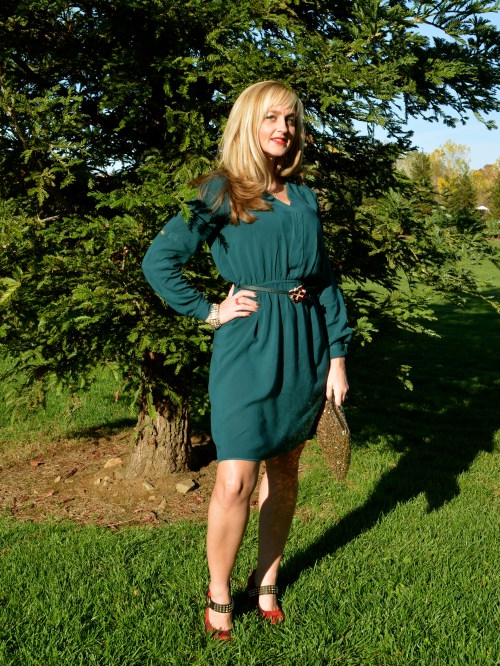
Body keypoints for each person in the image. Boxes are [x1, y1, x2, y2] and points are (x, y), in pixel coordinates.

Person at [142, 80, 352, 640]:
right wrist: (209, 310)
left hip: (305, 343)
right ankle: (218, 589)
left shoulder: (304, 197)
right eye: (270, 118)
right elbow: (160, 261)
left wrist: (337, 356)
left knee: (285, 471)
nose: (282, 128)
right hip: (247, 343)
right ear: (247, 124)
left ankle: (267, 580)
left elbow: (324, 281)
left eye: (290, 118)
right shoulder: (220, 189)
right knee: (235, 479)